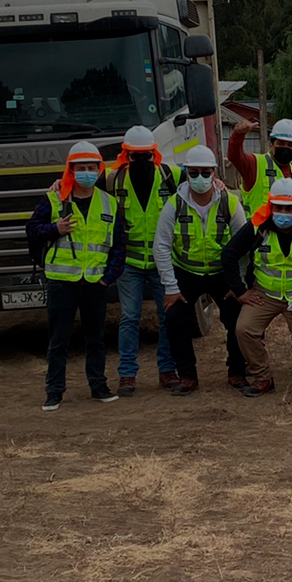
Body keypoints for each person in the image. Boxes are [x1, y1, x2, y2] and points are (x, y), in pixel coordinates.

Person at [26, 141, 126, 411]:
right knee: (58, 340)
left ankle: (98, 386)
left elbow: (119, 246)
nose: (86, 172)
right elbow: (32, 231)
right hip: (62, 282)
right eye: (80, 168)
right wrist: (54, 229)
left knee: (96, 339)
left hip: (95, 283)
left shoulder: (110, 204)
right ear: (70, 170)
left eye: (91, 168)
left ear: (99, 169)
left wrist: (109, 277)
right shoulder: (54, 199)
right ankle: (54, 391)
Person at [153, 145, 248, 396]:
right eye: (193, 172)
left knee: (237, 315)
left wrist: (237, 284)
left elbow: (243, 244)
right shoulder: (174, 205)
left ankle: (237, 371)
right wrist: (171, 288)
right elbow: (161, 246)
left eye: (206, 173)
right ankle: (187, 375)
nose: (200, 178)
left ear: (215, 173)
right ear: (186, 173)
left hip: (222, 273)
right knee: (174, 317)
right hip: (187, 272)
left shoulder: (230, 202)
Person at [223, 177, 292, 396]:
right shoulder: (256, 227)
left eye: (289, 208)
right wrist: (241, 292)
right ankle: (262, 377)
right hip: (264, 295)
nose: (283, 213)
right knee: (244, 329)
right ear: (271, 205)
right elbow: (229, 255)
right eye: (278, 207)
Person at [106, 125, 182, 395]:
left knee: (167, 317)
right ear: (126, 156)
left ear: (154, 154)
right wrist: (61, 183)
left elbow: (201, 174)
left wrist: (218, 180)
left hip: (163, 263)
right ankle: (127, 374)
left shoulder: (170, 175)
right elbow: (79, 180)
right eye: (134, 156)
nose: (140, 161)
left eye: (145, 156)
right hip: (130, 263)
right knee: (129, 317)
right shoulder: (113, 179)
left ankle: (167, 369)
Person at [227, 116, 292, 215]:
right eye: (281, 143)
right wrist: (238, 134)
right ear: (271, 144)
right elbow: (234, 156)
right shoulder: (254, 163)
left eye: (290, 145)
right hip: (258, 229)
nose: (285, 148)